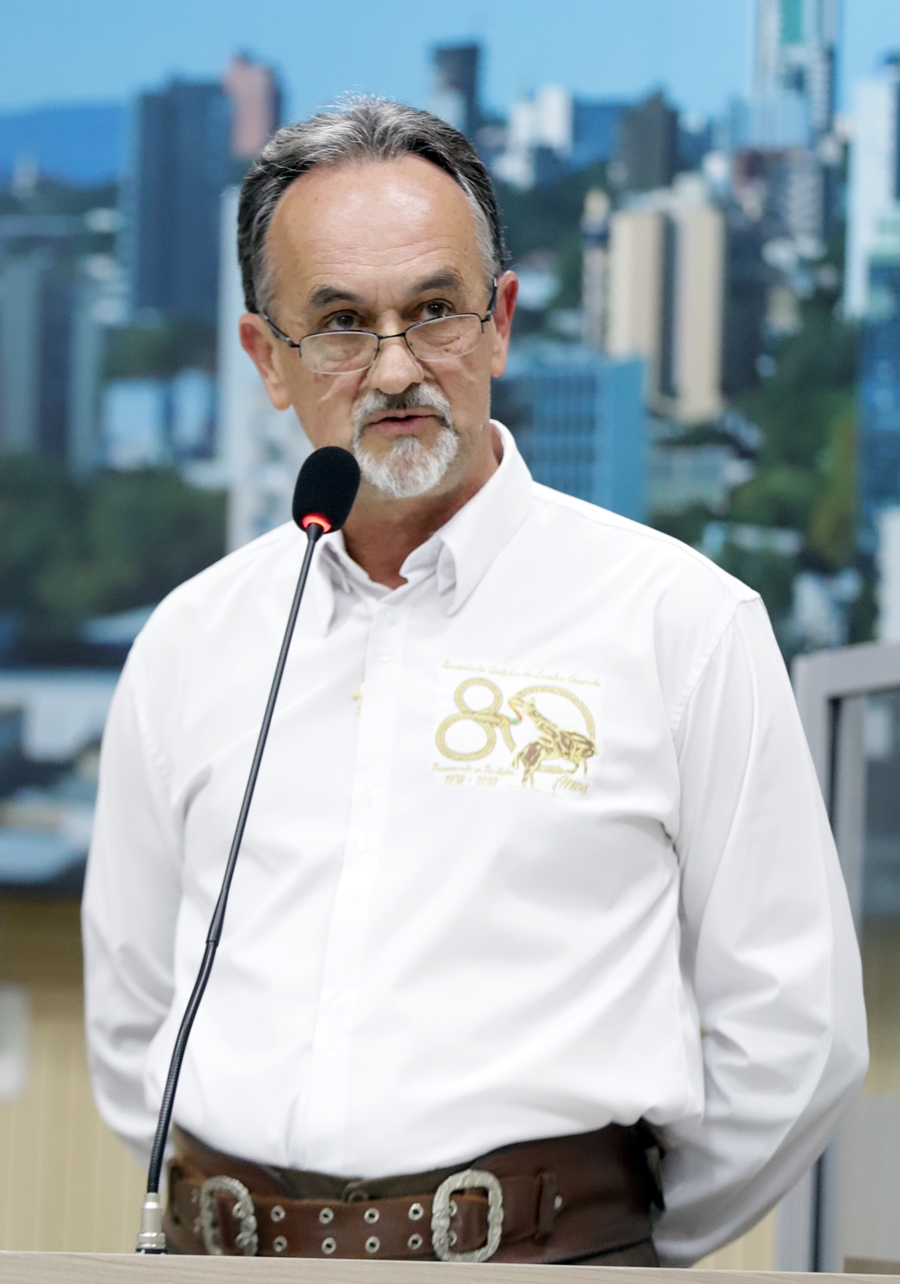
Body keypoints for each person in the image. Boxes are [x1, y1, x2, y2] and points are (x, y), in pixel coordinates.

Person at [82, 98, 867, 1267]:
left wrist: (595, 1243)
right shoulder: (194, 640)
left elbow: (793, 1040)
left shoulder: (681, 624)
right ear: (267, 361)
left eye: (435, 311)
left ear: (498, 322)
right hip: (224, 1258)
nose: (397, 367)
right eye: (340, 324)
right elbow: (134, 1016)